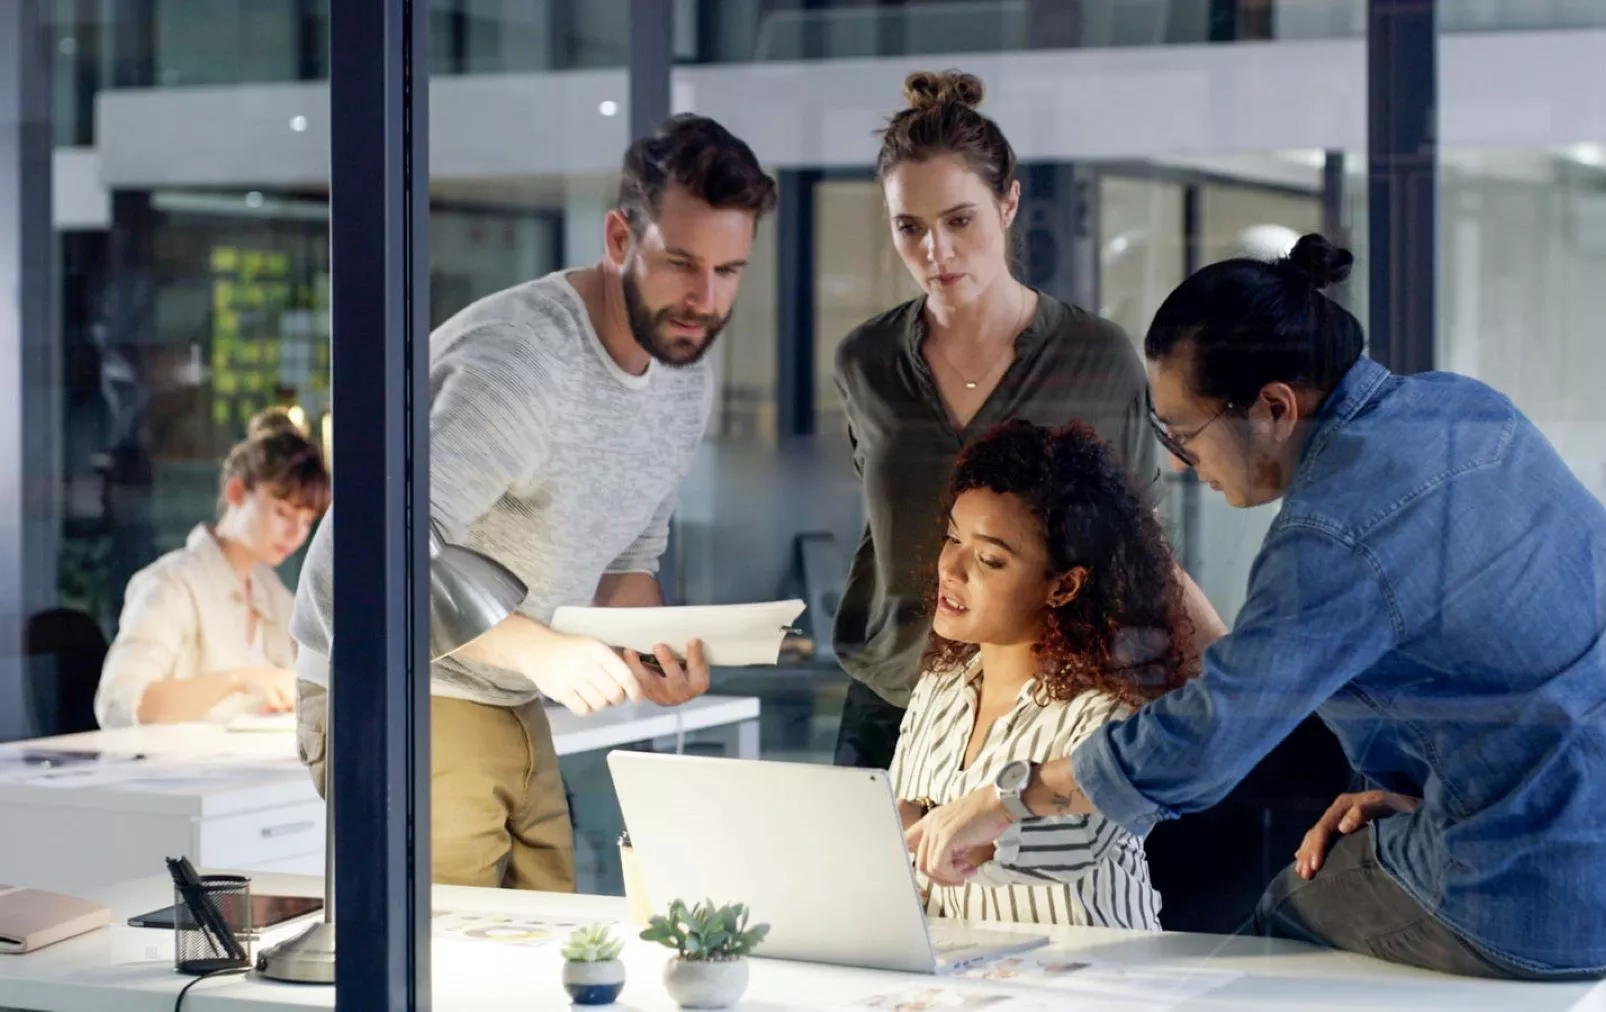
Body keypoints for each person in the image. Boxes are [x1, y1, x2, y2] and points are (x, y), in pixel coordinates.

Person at [908, 234, 1606, 1010]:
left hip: (1556, 892)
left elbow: (1208, 737)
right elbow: (1524, 654)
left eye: (1184, 432)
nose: (1179, 461)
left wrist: (1014, 794)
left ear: (1275, 407)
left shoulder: (1331, 531)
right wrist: (1421, 797)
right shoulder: (1468, 410)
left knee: (1289, 917)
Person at [290, 114, 778, 892]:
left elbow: (626, 558)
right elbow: (379, 552)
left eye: (729, 271)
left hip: (507, 689)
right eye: (680, 263)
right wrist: (541, 652)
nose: (704, 299)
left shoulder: (685, 372)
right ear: (620, 239)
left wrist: (651, 652)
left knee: (553, 946)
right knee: (450, 963)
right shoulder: (520, 365)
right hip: (398, 684)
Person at [832, 68, 1228, 772]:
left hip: (1047, 707)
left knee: (1023, 889)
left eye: (960, 221)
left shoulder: (1096, 356)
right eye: (910, 228)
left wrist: (1233, 682)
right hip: (893, 697)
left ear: (1008, 204)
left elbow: (1141, 546)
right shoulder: (866, 361)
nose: (936, 252)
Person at [893, 419, 1196, 930]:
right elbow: (904, 822)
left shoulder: (1111, 705)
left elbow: (1080, 840)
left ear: (1064, 585)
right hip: (963, 978)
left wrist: (978, 832)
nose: (952, 568)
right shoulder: (939, 687)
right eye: (952, 539)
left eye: (989, 559)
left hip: (1093, 982)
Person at [94, 409, 328, 727]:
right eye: (283, 513)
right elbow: (118, 704)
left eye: (306, 521)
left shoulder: (269, 591)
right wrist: (238, 680)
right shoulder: (170, 584)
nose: (296, 534)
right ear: (235, 492)